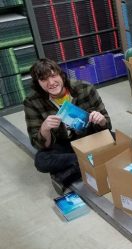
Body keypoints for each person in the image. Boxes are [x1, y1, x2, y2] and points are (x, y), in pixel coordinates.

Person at [24, 58, 112, 194]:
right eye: (43, 79)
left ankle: (64, 175)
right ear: (38, 83)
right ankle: (88, 161)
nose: (51, 83)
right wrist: (44, 129)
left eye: (53, 76)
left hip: (87, 139)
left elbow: (107, 126)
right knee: (41, 160)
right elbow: (40, 145)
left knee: (113, 138)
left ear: (61, 75)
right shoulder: (32, 102)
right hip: (62, 144)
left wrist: (100, 120)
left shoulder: (85, 88)